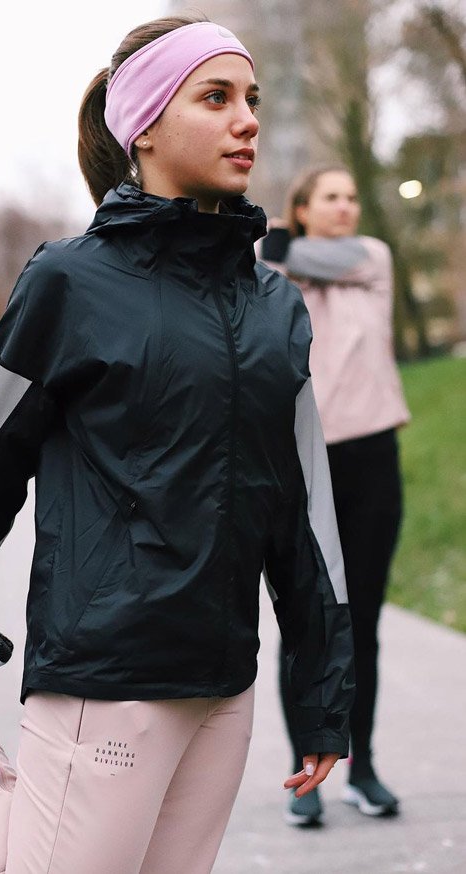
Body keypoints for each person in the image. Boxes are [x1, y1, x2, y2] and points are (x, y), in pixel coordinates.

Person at [0, 16, 355, 874]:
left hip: (224, 692)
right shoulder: (69, 281)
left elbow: (303, 513)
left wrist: (325, 692)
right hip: (107, 681)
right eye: (216, 97)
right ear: (144, 125)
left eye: (252, 99)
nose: (248, 120)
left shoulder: (277, 306)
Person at [261, 164, 410, 827]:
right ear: (303, 207)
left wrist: (278, 239)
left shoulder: (370, 258)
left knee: (363, 624)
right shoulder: (274, 272)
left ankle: (363, 768)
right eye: (331, 198)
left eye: (352, 197)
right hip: (302, 461)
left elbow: (283, 250)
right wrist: (273, 245)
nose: (347, 206)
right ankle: (305, 776)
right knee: (306, 624)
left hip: (372, 459)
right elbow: (264, 262)